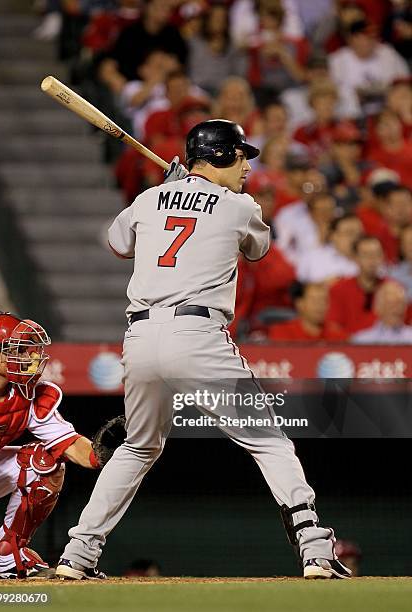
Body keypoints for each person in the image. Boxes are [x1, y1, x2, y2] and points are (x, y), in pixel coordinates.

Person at [55, 119, 351, 581]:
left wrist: (167, 193)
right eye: (239, 156)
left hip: (140, 340)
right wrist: (199, 199)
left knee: (137, 447)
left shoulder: (149, 198)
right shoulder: (240, 206)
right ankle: (315, 548)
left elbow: (118, 243)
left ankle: (77, 554)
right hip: (198, 337)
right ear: (217, 157)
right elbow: (258, 249)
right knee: (269, 441)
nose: (246, 167)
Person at [0, 312, 99, 579]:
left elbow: (69, 444)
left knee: (44, 462)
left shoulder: (26, 395)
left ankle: (5, 556)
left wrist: (106, 454)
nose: (30, 358)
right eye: (18, 350)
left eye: (28, 351)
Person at [326, 235, 385, 335]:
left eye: (376, 254)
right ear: (355, 258)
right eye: (366, 255)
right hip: (349, 347)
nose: (372, 260)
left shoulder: (392, 290)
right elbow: (333, 326)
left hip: (385, 347)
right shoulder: (339, 289)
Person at [268, 282, 347, 342]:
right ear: (300, 303)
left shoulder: (338, 335)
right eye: (314, 301)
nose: (320, 306)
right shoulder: (281, 334)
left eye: (324, 301)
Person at [296, 214, 362, 283]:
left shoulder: (371, 259)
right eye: (349, 233)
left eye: (359, 233)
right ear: (333, 236)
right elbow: (299, 289)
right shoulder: (312, 258)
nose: (356, 238)